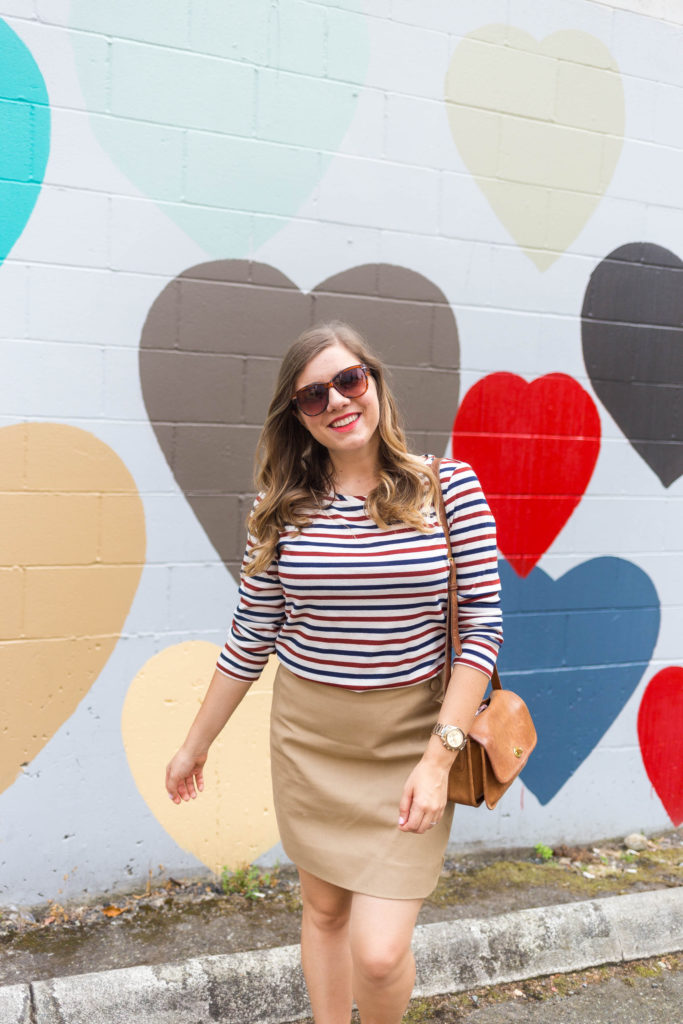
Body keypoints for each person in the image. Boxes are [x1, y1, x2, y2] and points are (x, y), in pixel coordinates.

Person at [165, 320, 503, 1024]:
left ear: (374, 381)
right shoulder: (278, 513)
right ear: (298, 417)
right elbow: (251, 635)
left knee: (378, 952)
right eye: (313, 396)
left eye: (348, 381)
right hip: (311, 739)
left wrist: (439, 758)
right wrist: (196, 742)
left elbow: (480, 631)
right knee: (322, 911)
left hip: (414, 736)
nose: (337, 402)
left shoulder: (451, 489)